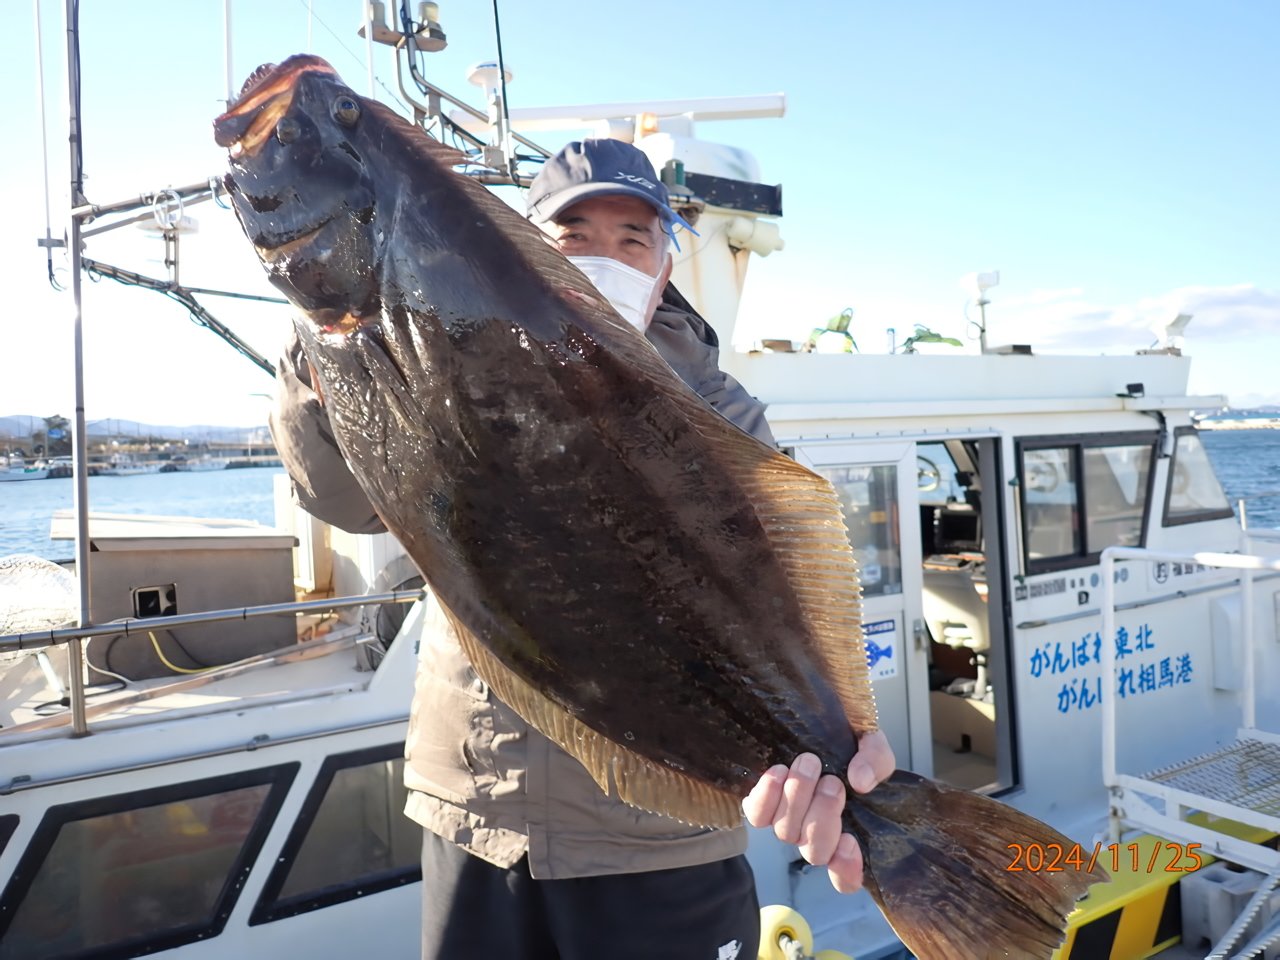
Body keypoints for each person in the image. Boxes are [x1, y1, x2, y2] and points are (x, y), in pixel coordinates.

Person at [270, 137, 895, 960]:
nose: (607, 255)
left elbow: (771, 592)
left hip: (657, 845)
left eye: (633, 238)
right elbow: (345, 500)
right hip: (478, 811)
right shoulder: (436, 364)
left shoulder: (719, 415)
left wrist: (839, 734)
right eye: (575, 234)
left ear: (664, 267)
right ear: (521, 253)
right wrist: (318, 351)